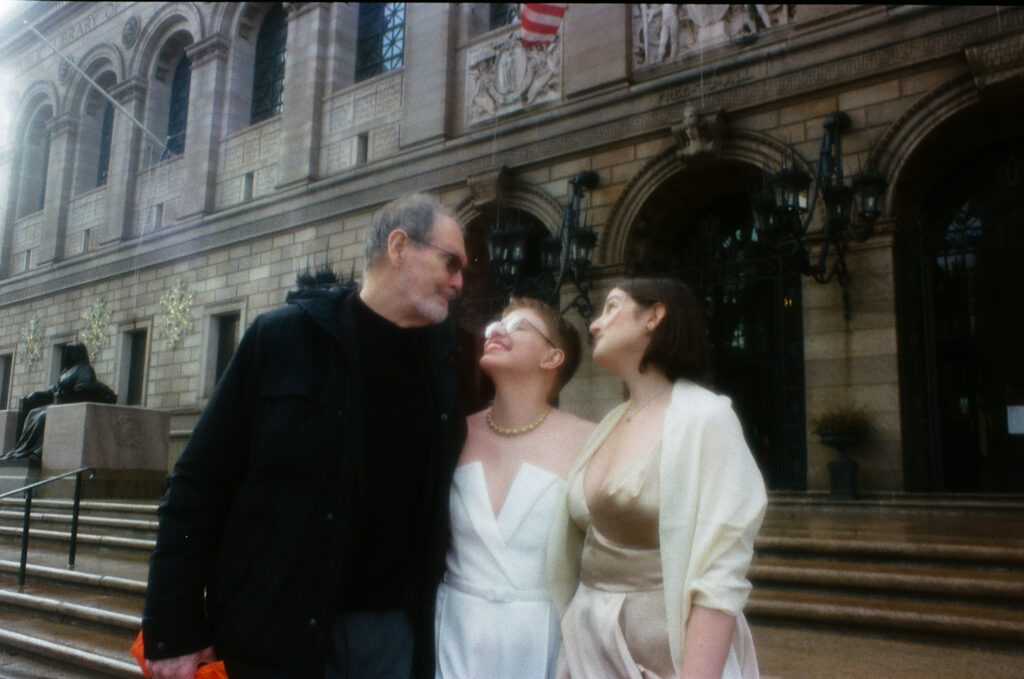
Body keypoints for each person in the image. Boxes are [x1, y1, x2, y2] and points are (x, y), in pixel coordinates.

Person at [142, 193, 468, 679]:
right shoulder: (281, 338)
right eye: (451, 262)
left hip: (393, 634)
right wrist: (174, 627)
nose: (459, 282)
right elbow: (197, 485)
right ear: (399, 246)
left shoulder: (449, 364)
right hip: (275, 629)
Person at [549, 278, 767, 679]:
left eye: (612, 307)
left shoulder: (707, 418)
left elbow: (721, 573)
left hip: (666, 653)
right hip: (586, 646)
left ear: (654, 315)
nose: (595, 324)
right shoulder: (611, 423)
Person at [435, 298, 594, 679]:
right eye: (497, 324)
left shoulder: (588, 440)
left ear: (552, 358)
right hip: (453, 632)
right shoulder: (453, 432)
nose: (495, 331)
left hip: (538, 639)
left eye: (519, 326)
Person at [1, 341, 116, 464]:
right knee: (33, 413)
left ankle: (37, 451)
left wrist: (74, 391)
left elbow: (85, 386)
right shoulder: (67, 370)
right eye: (69, 352)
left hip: (71, 406)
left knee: (42, 417)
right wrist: (37, 394)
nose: (71, 354)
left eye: (74, 352)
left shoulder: (86, 369)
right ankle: (23, 449)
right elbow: (55, 388)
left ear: (80, 353)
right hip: (59, 404)